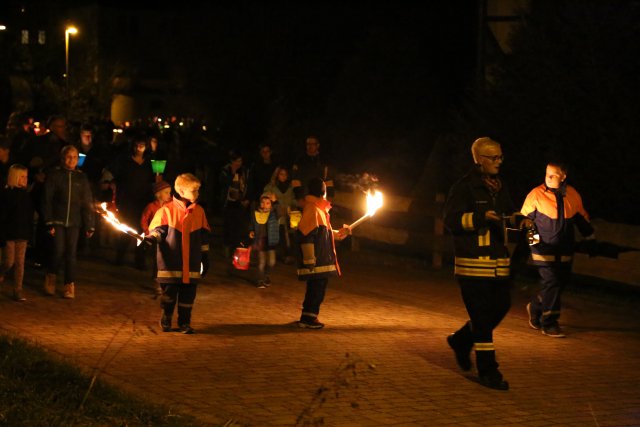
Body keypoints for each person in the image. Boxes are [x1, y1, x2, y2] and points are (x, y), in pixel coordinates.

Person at [443, 137, 528, 391]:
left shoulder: (500, 187)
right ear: (478, 159)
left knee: (501, 306)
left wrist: (521, 220)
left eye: (501, 157)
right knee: (481, 319)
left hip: (497, 264)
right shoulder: (464, 187)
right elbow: (451, 220)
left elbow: (509, 210)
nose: (499, 162)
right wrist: (480, 217)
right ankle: (489, 371)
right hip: (471, 265)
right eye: (494, 157)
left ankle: (461, 340)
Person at [520, 161, 595, 338]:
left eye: (553, 175)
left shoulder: (573, 195)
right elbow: (525, 222)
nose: (549, 178)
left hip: (565, 250)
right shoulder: (536, 195)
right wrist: (534, 244)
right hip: (542, 250)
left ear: (564, 176)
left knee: (558, 284)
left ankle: (536, 306)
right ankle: (550, 323)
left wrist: (591, 238)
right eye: (547, 174)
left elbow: (581, 220)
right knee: (552, 282)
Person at [144, 173, 211, 334]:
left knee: (188, 296)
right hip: (171, 264)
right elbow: (158, 230)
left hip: (192, 264)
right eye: (194, 190)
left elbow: (204, 237)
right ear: (181, 191)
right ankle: (166, 317)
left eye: (198, 190)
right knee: (169, 295)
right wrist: (152, 238)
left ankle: (184, 323)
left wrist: (205, 257)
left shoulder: (199, 211)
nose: (197, 194)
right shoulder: (166, 210)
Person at [295, 177, 350, 329]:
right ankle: (308, 319)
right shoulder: (312, 208)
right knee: (316, 290)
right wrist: (309, 259)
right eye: (325, 189)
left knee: (316, 289)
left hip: (321, 259)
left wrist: (339, 233)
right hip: (318, 260)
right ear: (322, 192)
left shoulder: (319, 209)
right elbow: (307, 234)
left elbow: (323, 232)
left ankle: (307, 316)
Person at [42, 145, 95, 299]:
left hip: (74, 221)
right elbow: (47, 199)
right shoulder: (55, 175)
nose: (71, 160)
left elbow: (87, 202)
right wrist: (48, 221)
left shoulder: (81, 178)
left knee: (71, 254)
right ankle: (51, 277)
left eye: (74, 157)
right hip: (57, 220)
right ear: (62, 158)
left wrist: (89, 223)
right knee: (58, 250)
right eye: (68, 156)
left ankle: (69, 284)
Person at [107, 134, 155, 267]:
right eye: (137, 144)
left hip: (144, 201)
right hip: (127, 200)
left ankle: (140, 259)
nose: (139, 147)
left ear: (146, 147)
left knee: (142, 229)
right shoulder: (124, 160)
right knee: (126, 228)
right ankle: (120, 256)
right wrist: (109, 182)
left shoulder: (150, 162)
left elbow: (155, 180)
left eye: (142, 145)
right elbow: (112, 173)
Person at [0, 164, 34, 301]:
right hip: (9, 234)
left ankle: (18, 290)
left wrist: (29, 233)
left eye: (26, 177)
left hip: (22, 234)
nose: (25, 180)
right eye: (22, 177)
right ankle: (1, 272)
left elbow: (29, 216)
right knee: (9, 261)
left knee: (20, 263)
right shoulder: (6, 195)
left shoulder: (26, 196)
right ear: (14, 177)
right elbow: (3, 216)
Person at [140, 180, 173, 296]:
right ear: (158, 193)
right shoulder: (151, 206)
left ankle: (166, 282)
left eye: (170, 192)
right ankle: (157, 282)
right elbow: (144, 220)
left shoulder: (170, 206)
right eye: (167, 192)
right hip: (156, 238)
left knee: (167, 260)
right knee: (158, 261)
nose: (169, 195)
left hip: (168, 237)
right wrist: (148, 232)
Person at [218, 150, 250, 262]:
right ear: (232, 161)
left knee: (238, 226)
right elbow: (224, 183)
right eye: (236, 161)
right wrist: (232, 172)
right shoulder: (226, 170)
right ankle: (226, 248)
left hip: (240, 202)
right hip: (228, 202)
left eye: (240, 161)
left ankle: (236, 249)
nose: (238, 163)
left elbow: (247, 184)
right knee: (228, 225)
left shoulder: (244, 171)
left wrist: (245, 198)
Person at [263, 166, 297, 263]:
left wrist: (293, 205)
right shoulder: (271, 186)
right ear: (277, 175)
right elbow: (265, 197)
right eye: (281, 174)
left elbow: (293, 199)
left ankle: (287, 255)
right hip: (275, 216)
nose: (284, 176)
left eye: (285, 174)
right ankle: (274, 255)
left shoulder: (290, 187)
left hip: (288, 216)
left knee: (287, 236)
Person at [249, 193, 280, 288]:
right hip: (260, 241)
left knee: (271, 262)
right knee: (261, 262)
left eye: (268, 203)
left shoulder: (273, 214)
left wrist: (276, 202)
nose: (265, 205)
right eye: (263, 202)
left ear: (271, 204)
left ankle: (266, 275)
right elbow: (251, 224)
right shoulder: (256, 213)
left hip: (271, 241)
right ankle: (260, 280)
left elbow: (281, 212)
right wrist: (250, 231)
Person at [291, 136, 334, 200]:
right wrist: (299, 198)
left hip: (320, 197)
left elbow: (328, 179)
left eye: (313, 144)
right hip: (304, 196)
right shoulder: (300, 160)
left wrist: (330, 196)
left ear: (318, 145)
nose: (310, 146)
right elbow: (295, 180)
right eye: (308, 144)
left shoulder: (324, 160)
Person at [247, 143, 277, 207]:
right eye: (263, 151)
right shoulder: (256, 166)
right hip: (257, 197)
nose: (265, 153)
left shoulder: (275, 166)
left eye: (267, 151)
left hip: (271, 198)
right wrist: (251, 199)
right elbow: (251, 182)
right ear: (260, 153)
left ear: (271, 152)